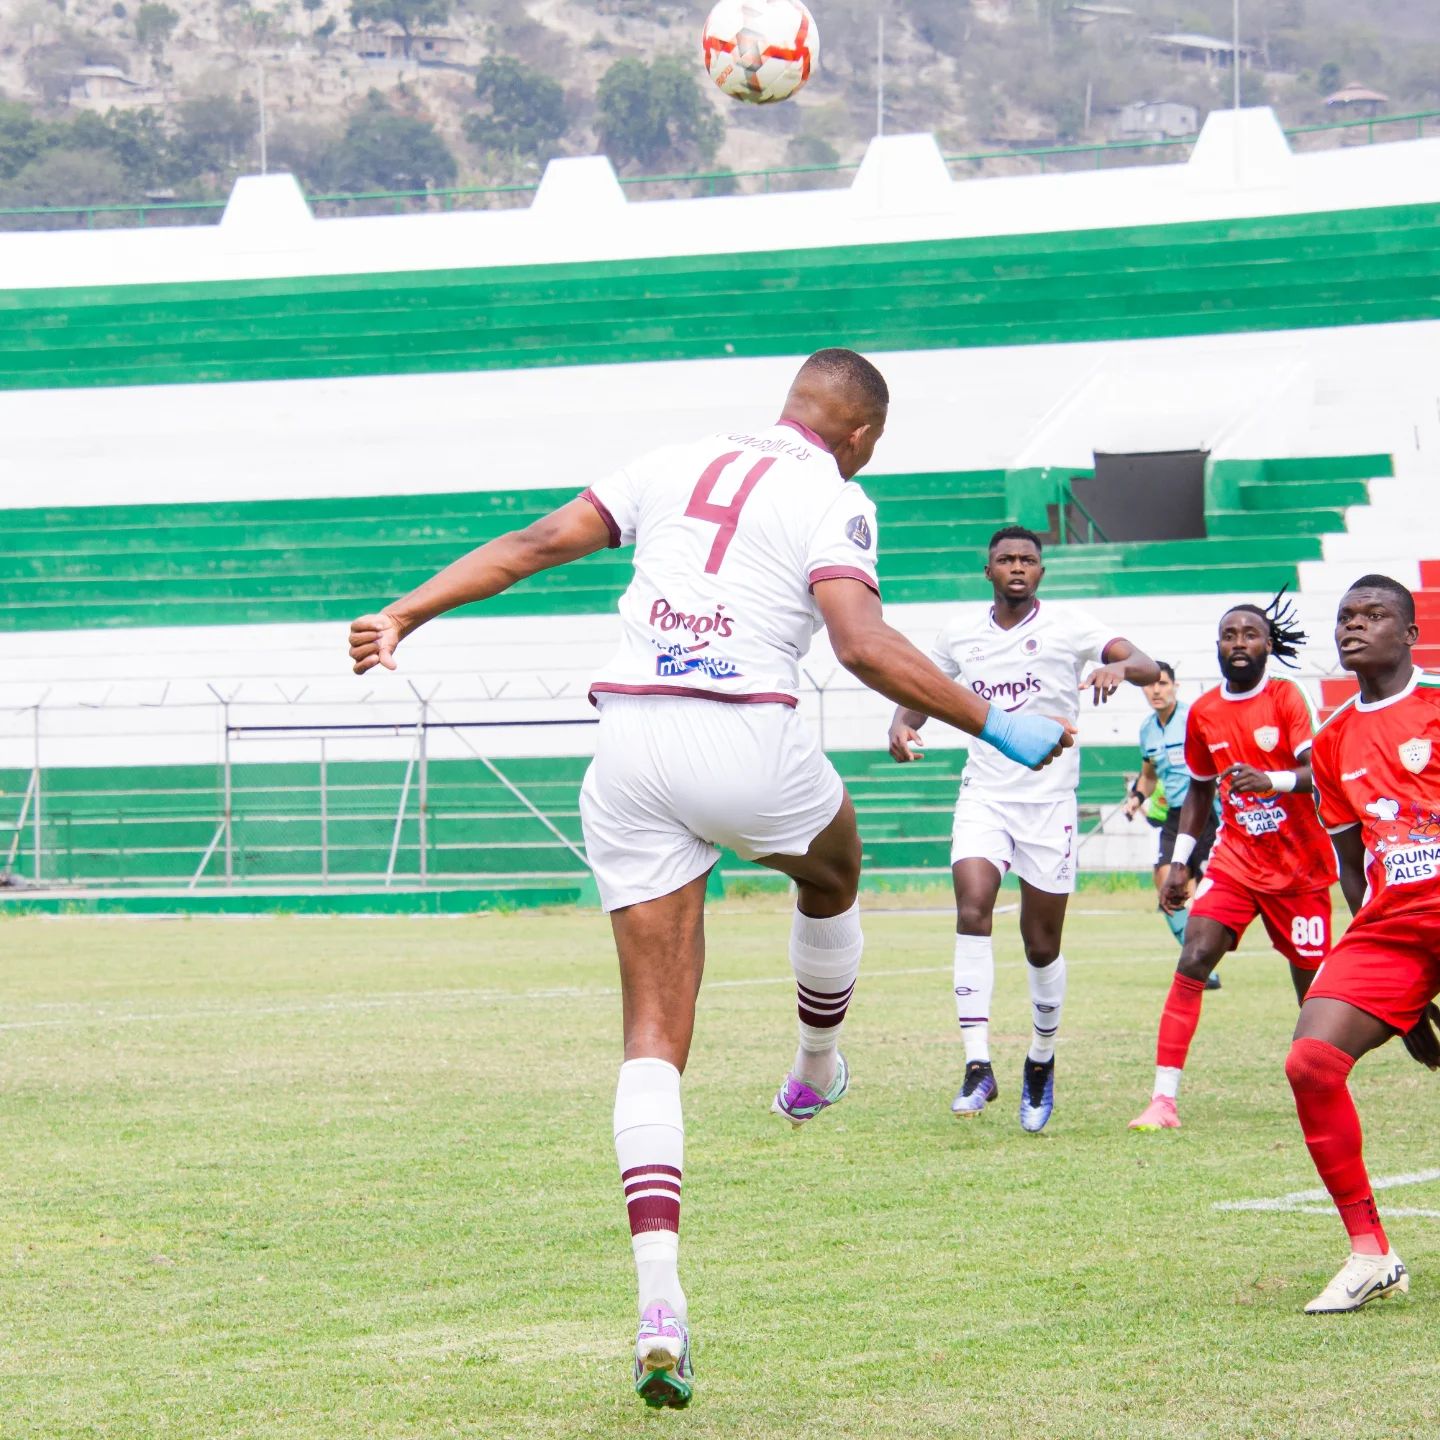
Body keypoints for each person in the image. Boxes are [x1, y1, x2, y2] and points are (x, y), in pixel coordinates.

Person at [347, 350, 1071, 1410]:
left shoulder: (675, 458)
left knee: (651, 1037)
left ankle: (659, 1303)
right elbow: (862, 646)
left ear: (789, 403)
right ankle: (817, 1062)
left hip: (627, 746)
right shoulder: (836, 494)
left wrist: (407, 612)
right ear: (864, 434)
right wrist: (1002, 726)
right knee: (832, 870)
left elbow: (537, 544)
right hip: (743, 739)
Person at [887, 526, 1158, 1131]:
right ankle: (977, 1064)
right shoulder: (960, 633)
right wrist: (901, 725)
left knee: (1041, 945)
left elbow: (1142, 661)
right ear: (988, 571)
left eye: (1028, 560)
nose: (1017, 567)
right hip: (984, 796)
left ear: (1041, 572)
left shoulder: (1069, 626)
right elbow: (925, 690)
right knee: (973, 905)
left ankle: (1040, 1059)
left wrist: (1119, 671)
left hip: (1049, 804)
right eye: (1006, 559)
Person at [1285, 574, 1440, 1313]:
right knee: (1312, 1063)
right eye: (1345, 616)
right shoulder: (1331, 739)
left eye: (1374, 615)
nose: (1354, 626)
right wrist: (1400, 1001)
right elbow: (1353, 869)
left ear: (1410, 634)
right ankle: (1370, 1253)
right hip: (1392, 931)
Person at [1128, 593, 1336, 1132]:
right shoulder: (1204, 712)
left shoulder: (1289, 698)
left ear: (1268, 644)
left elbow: (1321, 774)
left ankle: (1318, 1087)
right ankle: (1163, 1100)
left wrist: (1275, 780)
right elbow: (1197, 792)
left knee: (1310, 990)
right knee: (1194, 955)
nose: (1238, 643)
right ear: (1217, 646)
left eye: (1249, 634)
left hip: (1301, 869)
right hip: (1235, 861)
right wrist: (1180, 863)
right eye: (1229, 635)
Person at [1123, 662, 1223, 988]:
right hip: (1176, 816)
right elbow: (1149, 775)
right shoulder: (1147, 730)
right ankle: (1199, 965)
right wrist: (1137, 797)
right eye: (1150, 685)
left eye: (1163, 684)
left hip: (1208, 811)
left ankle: (1202, 958)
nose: (1156, 690)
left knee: (1207, 892)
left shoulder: (1195, 718)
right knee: (1166, 885)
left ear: (1175, 687)